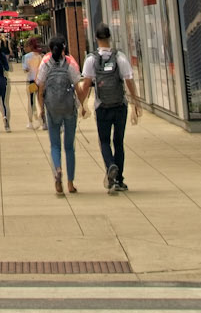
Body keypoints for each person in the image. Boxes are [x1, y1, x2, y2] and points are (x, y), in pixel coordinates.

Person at [80, 23, 141, 192]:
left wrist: (82, 104)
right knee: (119, 142)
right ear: (109, 37)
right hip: (119, 105)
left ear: (96, 38)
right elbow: (129, 79)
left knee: (105, 141)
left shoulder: (91, 59)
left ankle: (110, 167)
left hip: (102, 106)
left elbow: (86, 84)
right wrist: (136, 102)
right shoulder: (119, 57)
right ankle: (119, 179)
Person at [37, 34, 80, 195]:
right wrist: (82, 104)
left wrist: (41, 108)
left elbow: (40, 87)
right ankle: (70, 183)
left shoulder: (45, 65)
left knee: (55, 145)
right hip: (69, 108)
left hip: (52, 108)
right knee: (69, 147)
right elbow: (77, 85)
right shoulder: (69, 65)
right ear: (64, 49)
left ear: (50, 49)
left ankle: (57, 170)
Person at [21, 35, 44, 129]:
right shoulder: (39, 56)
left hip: (31, 81)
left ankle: (30, 122)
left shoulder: (26, 57)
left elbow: (25, 69)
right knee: (41, 101)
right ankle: (43, 121)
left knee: (31, 102)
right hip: (39, 80)